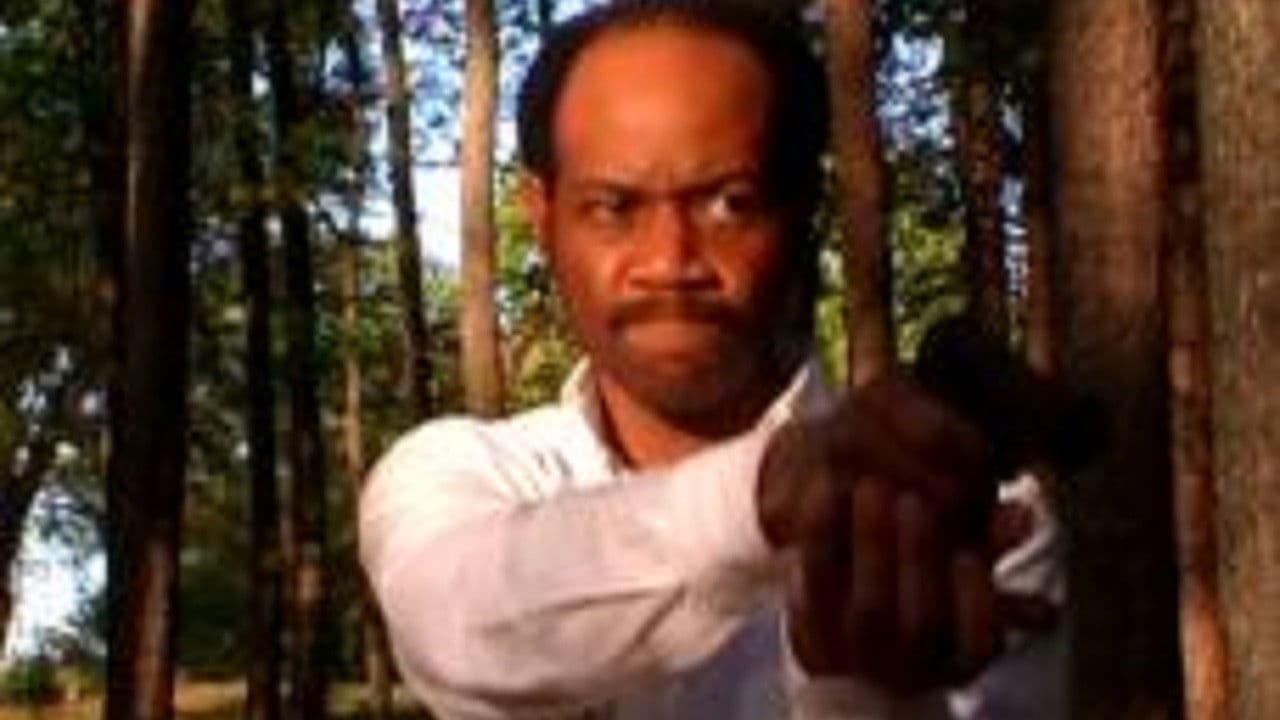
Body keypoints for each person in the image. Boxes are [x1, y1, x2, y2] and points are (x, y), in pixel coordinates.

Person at [359, 1, 1064, 717]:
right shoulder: (467, 476)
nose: (670, 262)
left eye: (731, 202)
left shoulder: (982, 515)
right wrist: (768, 493)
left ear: (803, 212)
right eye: (613, 207)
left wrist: (862, 694)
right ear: (542, 217)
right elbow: (460, 622)